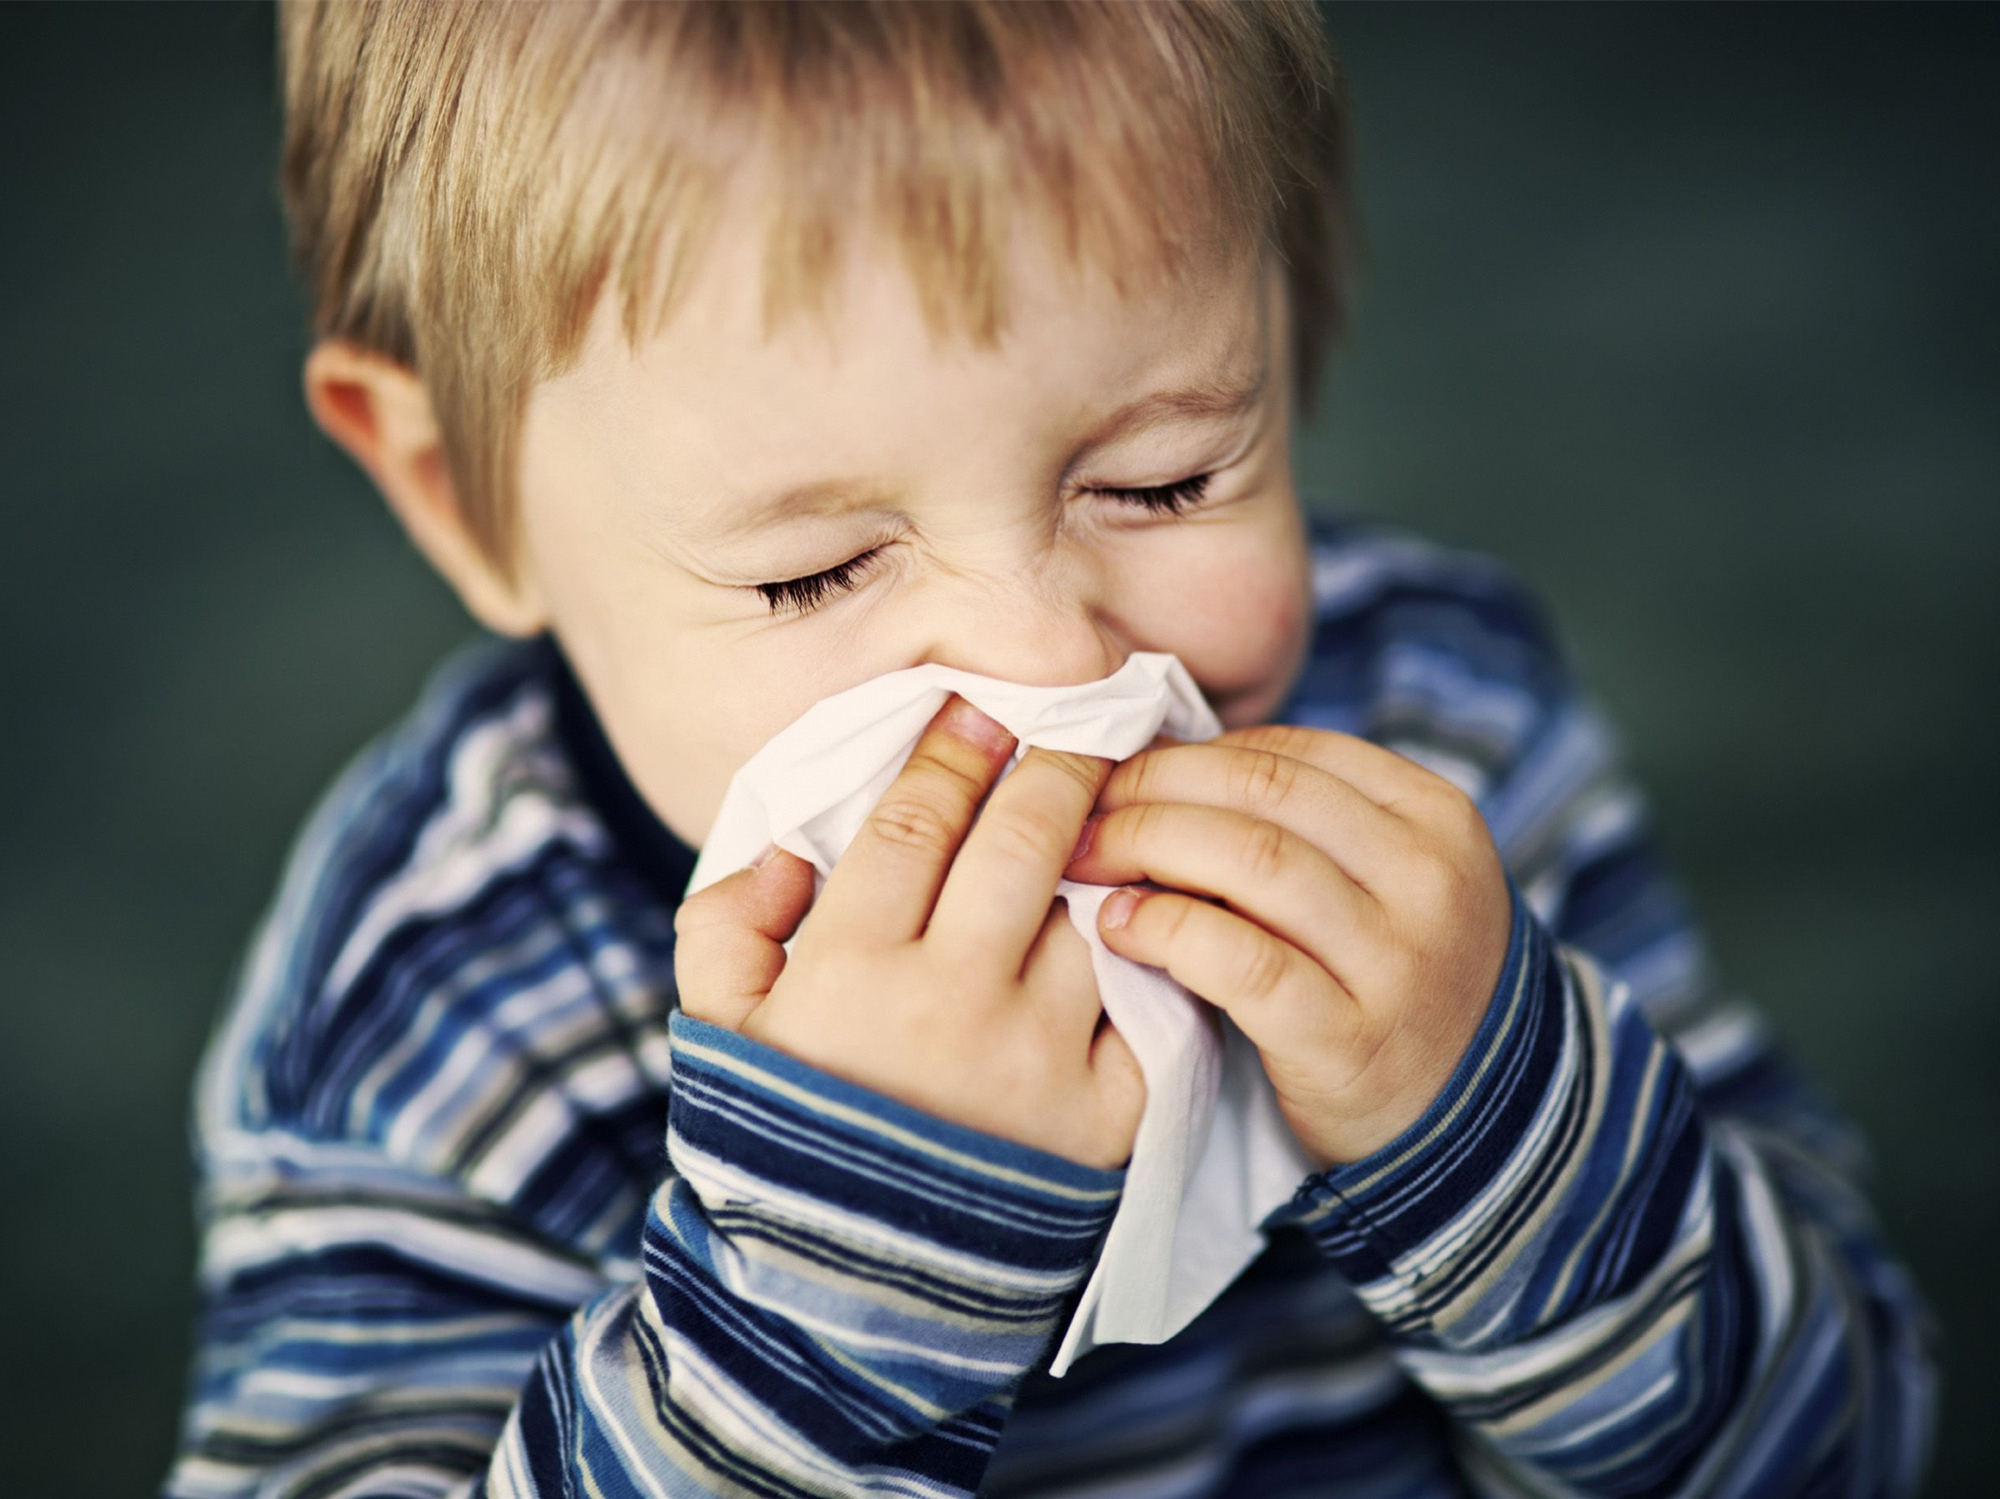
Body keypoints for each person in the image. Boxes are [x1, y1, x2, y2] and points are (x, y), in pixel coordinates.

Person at [163, 3, 1937, 1495]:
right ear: (458, 497)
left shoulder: (1439, 726)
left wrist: (1498, 1119)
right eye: (815, 571)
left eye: (1167, 477)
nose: (1044, 661)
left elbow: (1844, 1438)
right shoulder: (434, 1022)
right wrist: (847, 1274)